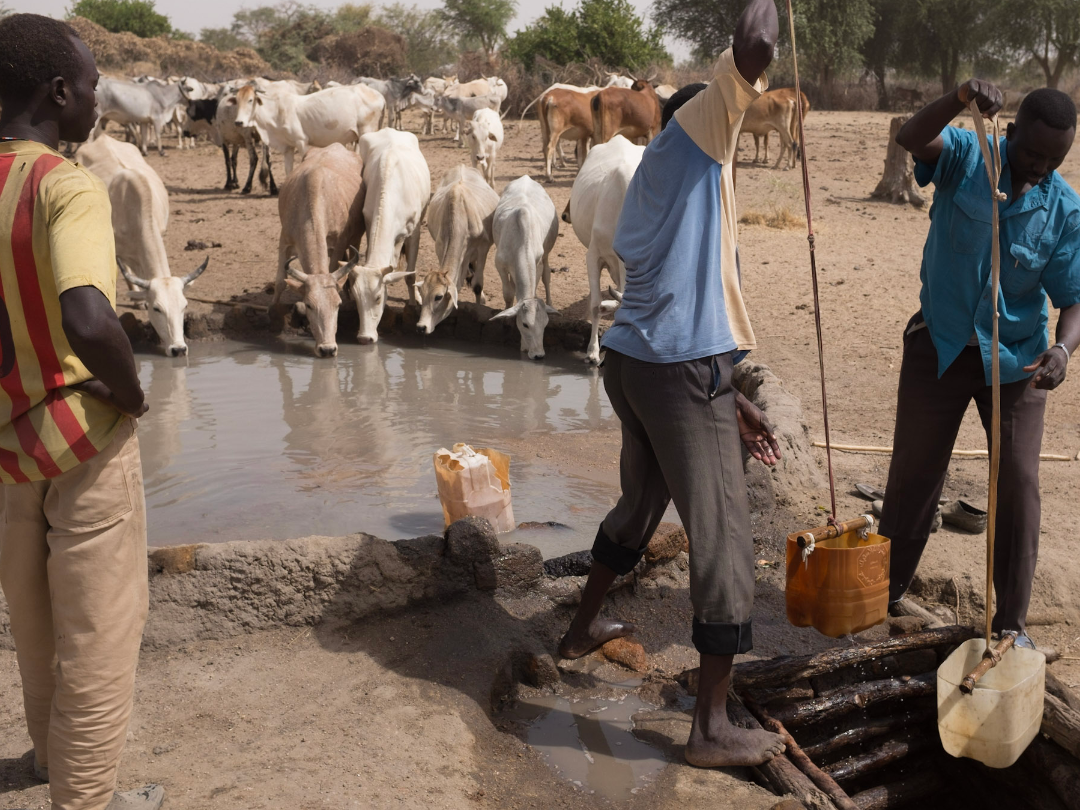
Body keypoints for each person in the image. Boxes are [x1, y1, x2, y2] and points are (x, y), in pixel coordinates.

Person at [556, 0, 787, 768]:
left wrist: (734, 396)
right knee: (721, 536)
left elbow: (688, 303)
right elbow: (754, 38)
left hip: (641, 361)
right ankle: (711, 729)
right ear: (709, 121)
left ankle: (583, 625)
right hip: (679, 373)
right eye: (733, 106)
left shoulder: (664, 174)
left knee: (642, 502)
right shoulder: (693, 145)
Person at [0, 14, 164, 810]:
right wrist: (132, 394)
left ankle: (46, 762)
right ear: (59, 92)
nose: (100, 101)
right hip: (81, 444)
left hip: (6, 453)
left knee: (34, 634)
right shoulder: (63, 185)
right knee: (97, 648)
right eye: (94, 86)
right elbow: (90, 318)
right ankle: (85, 799)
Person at [882, 81, 1080, 647]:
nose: (1039, 167)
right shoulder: (969, 155)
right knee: (915, 475)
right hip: (939, 345)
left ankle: (1010, 627)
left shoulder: (1065, 210)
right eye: (1032, 153)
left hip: (1017, 364)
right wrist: (959, 96)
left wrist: (1062, 351)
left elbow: (1073, 298)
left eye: (1053, 160)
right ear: (1010, 132)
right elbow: (911, 135)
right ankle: (886, 594)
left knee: (1017, 483)